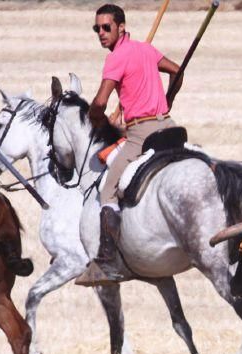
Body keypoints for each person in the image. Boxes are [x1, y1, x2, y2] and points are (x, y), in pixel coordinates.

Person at [78, 3, 182, 286]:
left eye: (106, 27)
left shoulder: (116, 58)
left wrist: (97, 120)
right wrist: (167, 102)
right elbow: (177, 71)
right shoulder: (145, 50)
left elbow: (100, 101)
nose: (101, 33)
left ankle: (107, 263)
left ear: (121, 27)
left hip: (141, 134)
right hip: (169, 126)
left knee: (108, 190)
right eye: (96, 28)